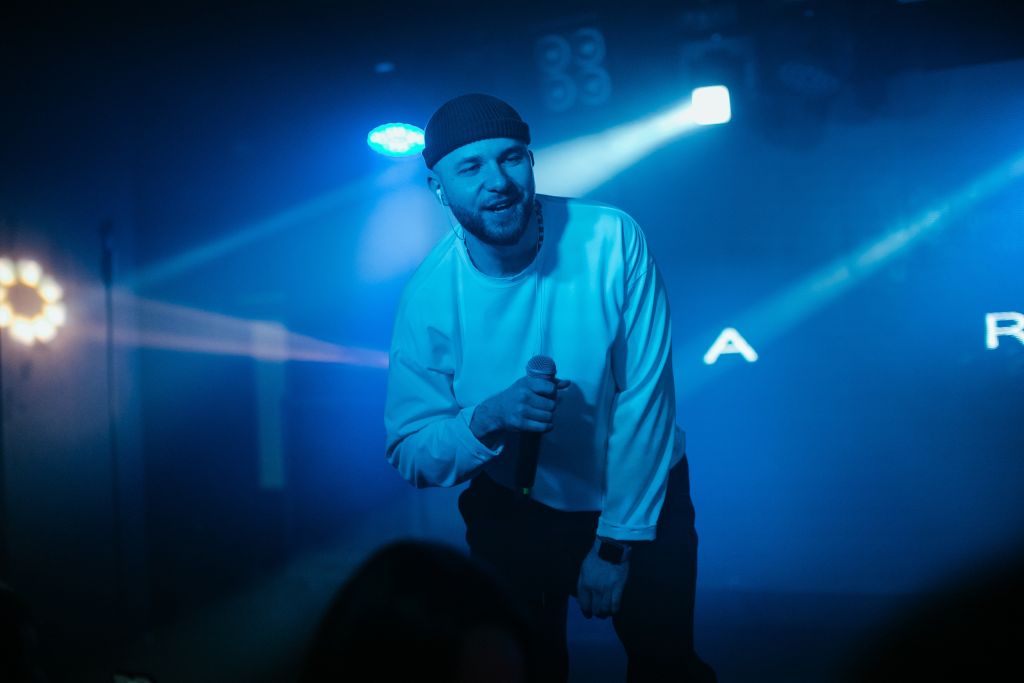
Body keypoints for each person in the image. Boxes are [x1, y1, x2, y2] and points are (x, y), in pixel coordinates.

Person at [384, 93, 715, 682]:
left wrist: (614, 544)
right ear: (439, 189)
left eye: (511, 157)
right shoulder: (428, 297)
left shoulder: (612, 238)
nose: (498, 181)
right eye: (470, 167)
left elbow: (645, 402)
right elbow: (412, 452)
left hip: (639, 498)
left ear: (532, 161)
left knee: (668, 670)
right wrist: (489, 415)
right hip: (514, 510)